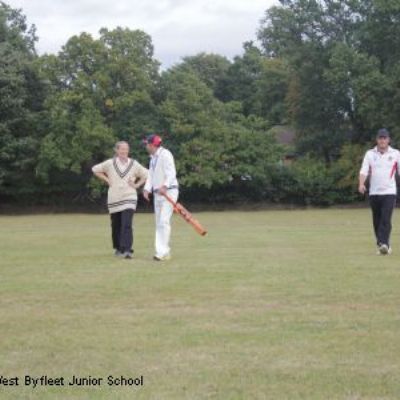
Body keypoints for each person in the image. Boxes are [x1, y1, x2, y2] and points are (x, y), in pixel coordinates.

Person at [92, 141, 148, 259]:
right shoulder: (110, 163)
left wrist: (137, 185)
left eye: (126, 149)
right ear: (116, 150)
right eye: (122, 149)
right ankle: (118, 248)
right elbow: (95, 169)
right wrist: (107, 180)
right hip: (114, 197)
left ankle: (127, 250)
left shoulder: (134, 164)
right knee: (116, 224)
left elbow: (147, 174)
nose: (124, 152)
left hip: (130, 197)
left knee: (127, 223)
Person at [359, 128, 400, 255]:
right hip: (374, 192)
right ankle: (382, 244)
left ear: (388, 140)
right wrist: (361, 184)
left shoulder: (396, 154)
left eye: (384, 138)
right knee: (377, 220)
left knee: (385, 219)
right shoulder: (370, 154)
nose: (382, 140)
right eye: (380, 138)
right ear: (377, 140)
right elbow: (364, 170)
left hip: (389, 191)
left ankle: (384, 244)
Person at [143, 134, 179, 261]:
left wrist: (165, 186)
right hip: (158, 193)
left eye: (147, 144)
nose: (145, 146)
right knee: (158, 223)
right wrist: (147, 189)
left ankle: (163, 252)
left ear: (152, 145)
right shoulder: (152, 158)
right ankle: (161, 251)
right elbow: (151, 175)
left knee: (164, 221)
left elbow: (171, 172)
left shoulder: (166, 154)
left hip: (169, 191)